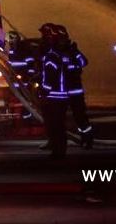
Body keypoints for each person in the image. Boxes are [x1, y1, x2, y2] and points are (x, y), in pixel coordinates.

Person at [39, 24, 92, 158]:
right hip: (64, 93)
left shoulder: (63, 53)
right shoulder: (55, 53)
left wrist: (75, 52)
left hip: (70, 93)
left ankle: (86, 139)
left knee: (76, 118)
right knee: (58, 122)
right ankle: (59, 145)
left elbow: (84, 62)